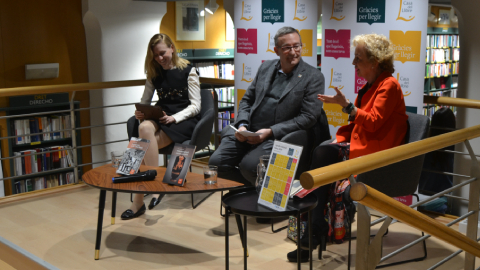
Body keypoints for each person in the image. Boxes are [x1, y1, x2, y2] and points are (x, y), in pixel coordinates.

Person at [287, 33, 408, 262]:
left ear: (374, 61)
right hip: (363, 147)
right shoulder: (373, 84)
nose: (354, 64)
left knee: (322, 156)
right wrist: (342, 135)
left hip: (378, 157)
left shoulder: (389, 85)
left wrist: (347, 106)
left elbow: (372, 122)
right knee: (321, 154)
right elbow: (360, 124)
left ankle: (315, 229)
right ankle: (316, 226)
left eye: (358, 59)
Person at [209, 26, 325, 186]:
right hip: (248, 131)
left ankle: (260, 194)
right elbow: (247, 100)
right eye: (287, 48)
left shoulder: (313, 77)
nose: (293, 52)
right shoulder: (266, 67)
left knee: (249, 167)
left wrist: (270, 132)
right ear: (277, 50)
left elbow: (309, 117)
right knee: (216, 164)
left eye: (297, 46)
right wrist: (242, 126)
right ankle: (254, 190)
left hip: (277, 136)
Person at [121, 33, 201, 220]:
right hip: (161, 117)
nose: (160, 58)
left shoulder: (189, 71)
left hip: (181, 120)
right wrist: (140, 113)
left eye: (163, 53)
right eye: (156, 55)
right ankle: (155, 186)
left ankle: (138, 202)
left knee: (139, 147)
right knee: (143, 128)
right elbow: (145, 102)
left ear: (172, 48)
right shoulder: (154, 73)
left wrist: (174, 118)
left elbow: (196, 106)